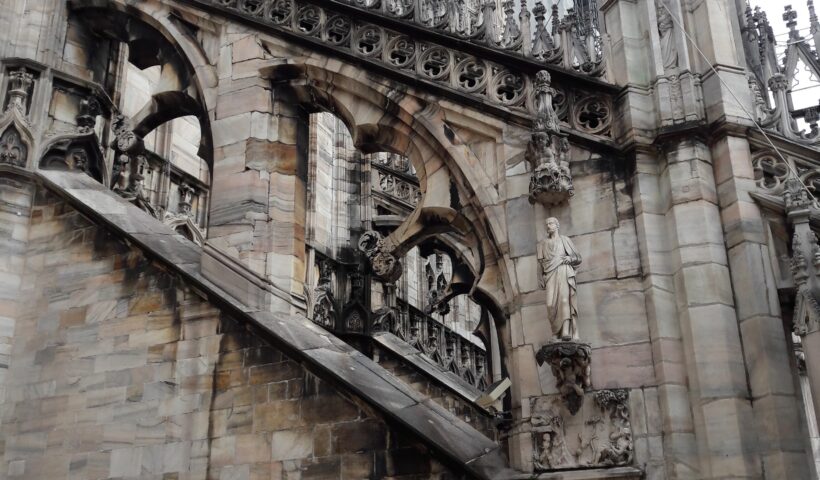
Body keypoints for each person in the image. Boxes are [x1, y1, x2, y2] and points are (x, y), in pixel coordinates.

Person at [537, 217, 582, 341]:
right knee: (550, 304)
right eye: (547, 224)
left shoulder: (564, 240)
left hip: (563, 270)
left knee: (564, 300)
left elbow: (578, 257)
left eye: (551, 223)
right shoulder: (542, 244)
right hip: (549, 273)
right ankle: (555, 332)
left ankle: (566, 331)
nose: (548, 226)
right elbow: (540, 264)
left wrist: (570, 258)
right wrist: (540, 278)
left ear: (557, 225)